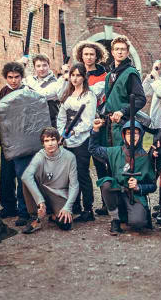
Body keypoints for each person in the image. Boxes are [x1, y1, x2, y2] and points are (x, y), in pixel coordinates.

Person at [90, 119, 156, 236]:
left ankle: (129, 214)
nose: (132, 137)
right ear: (124, 135)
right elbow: (93, 149)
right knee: (106, 184)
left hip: (135, 196)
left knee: (137, 223)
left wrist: (138, 187)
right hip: (118, 192)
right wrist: (95, 130)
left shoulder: (146, 158)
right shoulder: (115, 152)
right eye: (129, 133)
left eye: (135, 133)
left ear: (140, 135)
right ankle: (115, 220)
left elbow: (153, 186)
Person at [57, 63, 98, 223]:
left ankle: (88, 209)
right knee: (69, 174)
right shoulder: (67, 94)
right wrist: (62, 133)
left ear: (84, 77)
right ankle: (74, 205)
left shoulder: (89, 96)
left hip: (82, 140)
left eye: (78, 75)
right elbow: (61, 117)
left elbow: (88, 121)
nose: (75, 78)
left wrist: (74, 131)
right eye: (72, 75)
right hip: (67, 140)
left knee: (82, 173)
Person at [73, 40, 110, 215]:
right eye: (85, 54)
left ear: (97, 56)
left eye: (91, 54)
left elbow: (95, 94)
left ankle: (106, 202)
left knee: (100, 164)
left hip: (97, 123)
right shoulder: (76, 72)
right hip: (79, 125)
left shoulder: (104, 75)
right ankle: (78, 204)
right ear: (81, 56)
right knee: (79, 167)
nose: (88, 57)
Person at [21, 127, 79, 233]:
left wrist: (67, 207)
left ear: (58, 141)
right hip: (44, 189)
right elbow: (26, 176)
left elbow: (74, 185)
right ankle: (35, 218)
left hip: (59, 194)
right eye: (46, 141)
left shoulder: (70, 157)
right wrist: (40, 201)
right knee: (27, 179)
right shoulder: (40, 155)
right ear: (43, 144)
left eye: (53, 140)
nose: (50, 143)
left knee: (65, 224)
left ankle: (52, 215)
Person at [0, 61, 32, 227]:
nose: (13, 80)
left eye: (16, 77)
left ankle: (24, 211)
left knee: (22, 176)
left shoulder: (28, 92)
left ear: (21, 77)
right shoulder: (3, 92)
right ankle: (8, 206)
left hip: (23, 141)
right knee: (6, 175)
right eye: (10, 77)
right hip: (6, 141)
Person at [102, 35, 146, 146]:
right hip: (110, 125)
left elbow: (141, 99)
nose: (120, 52)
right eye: (117, 49)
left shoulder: (131, 73)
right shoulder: (109, 76)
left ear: (127, 52)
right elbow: (108, 100)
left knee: (124, 155)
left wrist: (122, 111)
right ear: (112, 52)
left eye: (123, 49)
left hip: (124, 125)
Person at [25, 53, 69, 128]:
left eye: (44, 65)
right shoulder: (31, 80)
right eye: (38, 66)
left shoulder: (55, 83)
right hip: (33, 123)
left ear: (49, 66)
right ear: (34, 68)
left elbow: (42, 94)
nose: (42, 69)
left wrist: (29, 80)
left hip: (50, 124)